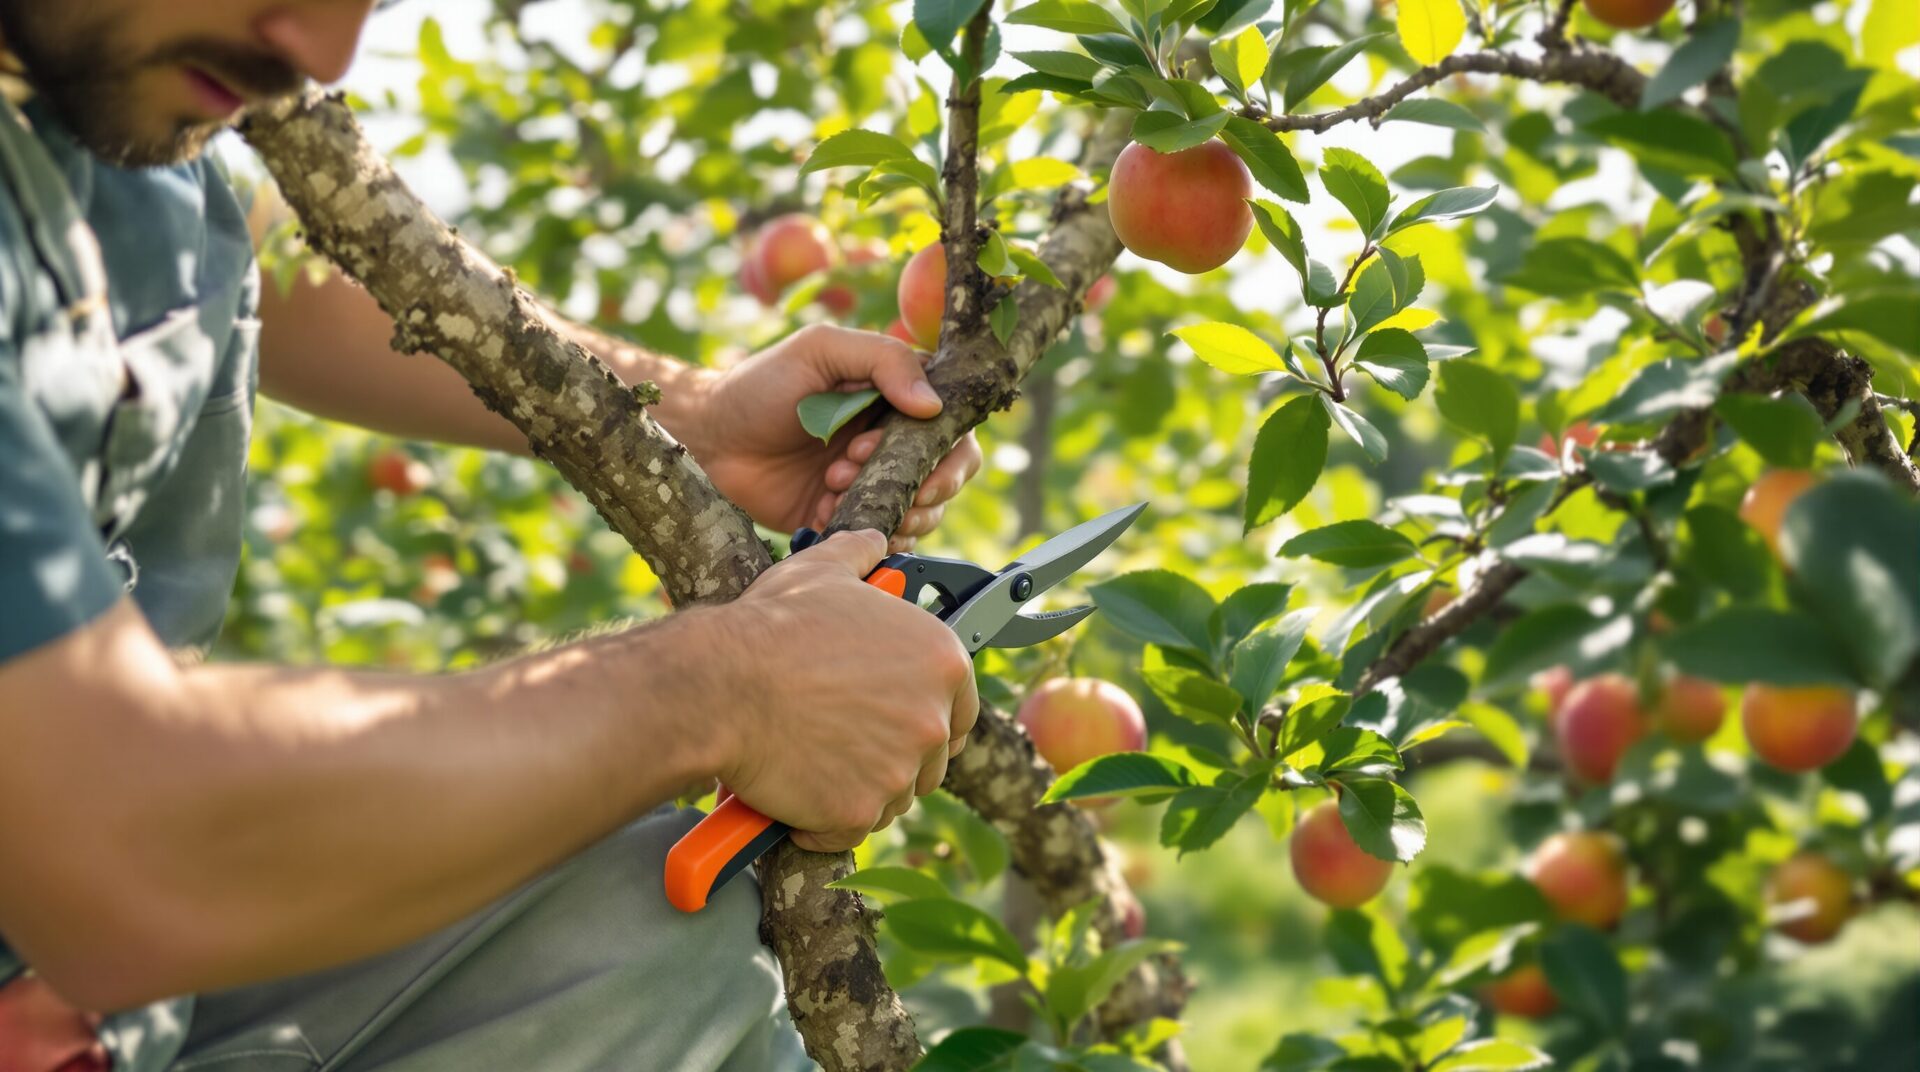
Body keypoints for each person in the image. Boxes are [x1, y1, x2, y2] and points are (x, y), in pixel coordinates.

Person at [0, 3, 985, 1069]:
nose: (322, 55)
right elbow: (113, 834)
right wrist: (725, 685)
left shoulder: (88, 89)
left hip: (120, 968)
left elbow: (217, 245)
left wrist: (680, 413)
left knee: (648, 926)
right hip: (99, 899)